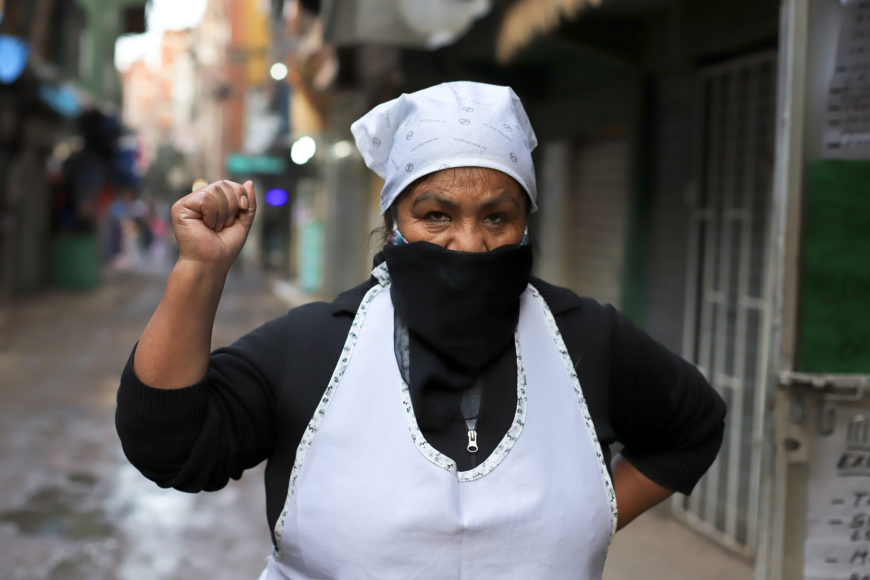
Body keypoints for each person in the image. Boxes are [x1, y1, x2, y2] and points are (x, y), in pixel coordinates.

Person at [116, 81, 726, 579]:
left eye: (497, 217)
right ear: (395, 223)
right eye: (437, 215)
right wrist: (201, 269)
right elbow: (169, 445)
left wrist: (592, 514)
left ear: (525, 224)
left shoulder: (587, 339)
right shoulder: (312, 347)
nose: (469, 243)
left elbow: (692, 425)